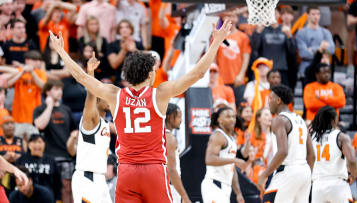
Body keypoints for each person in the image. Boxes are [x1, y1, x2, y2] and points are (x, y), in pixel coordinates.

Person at [49, 19, 232, 203]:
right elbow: (197, 74)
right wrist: (216, 42)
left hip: (127, 172)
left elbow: (81, 77)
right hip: (154, 170)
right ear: (151, 74)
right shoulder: (160, 93)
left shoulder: (114, 94)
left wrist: (61, 51)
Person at [256, 85, 315, 202]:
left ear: (278, 100)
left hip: (287, 171)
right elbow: (311, 155)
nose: (268, 102)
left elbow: (283, 151)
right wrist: (307, 174)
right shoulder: (301, 120)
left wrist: (264, 174)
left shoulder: (279, 120)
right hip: (305, 172)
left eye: (270, 99)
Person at [71, 52, 112, 203]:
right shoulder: (91, 119)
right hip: (87, 178)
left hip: (100, 178)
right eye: (107, 96)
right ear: (99, 98)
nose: (111, 100)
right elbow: (91, 94)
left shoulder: (105, 123)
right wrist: (90, 74)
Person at [33, 79, 78, 203]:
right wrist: (49, 106)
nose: (60, 92)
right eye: (56, 89)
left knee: (67, 188)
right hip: (48, 156)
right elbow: (40, 125)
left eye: (61, 89)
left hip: (66, 155)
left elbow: (74, 131)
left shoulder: (66, 109)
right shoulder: (40, 109)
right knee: (48, 189)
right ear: (47, 92)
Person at [310, 106, 357, 202]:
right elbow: (352, 160)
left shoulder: (312, 137)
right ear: (333, 120)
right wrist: (353, 175)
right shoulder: (341, 137)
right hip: (337, 184)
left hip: (317, 185)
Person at [201, 107, 245, 203]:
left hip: (225, 187)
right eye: (228, 117)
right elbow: (209, 159)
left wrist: (238, 193)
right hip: (214, 184)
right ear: (219, 120)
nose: (232, 119)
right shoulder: (218, 135)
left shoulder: (232, 139)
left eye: (233, 116)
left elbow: (231, 169)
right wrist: (234, 160)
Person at [16, 133, 62, 202]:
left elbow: (57, 182)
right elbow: (14, 179)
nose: (37, 145)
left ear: (44, 144)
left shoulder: (51, 160)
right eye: (34, 142)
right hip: (25, 197)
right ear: (29, 145)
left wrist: (58, 199)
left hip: (47, 197)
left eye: (40, 142)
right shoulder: (21, 160)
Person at [6, 50, 47, 124]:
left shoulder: (41, 73)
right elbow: (8, 84)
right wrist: (22, 72)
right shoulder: (19, 71)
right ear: (27, 60)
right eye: (34, 60)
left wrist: (32, 72)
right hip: (19, 113)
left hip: (35, 112)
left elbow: (43, 86)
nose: (38, 62)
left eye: (39, 60)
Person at [296, 6, 335, 79]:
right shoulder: (301, 33)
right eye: (313, 14)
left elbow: (332, 50)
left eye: (318, 14)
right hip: (307, 69)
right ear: (307, 15)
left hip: (323, 69)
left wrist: (312, 49)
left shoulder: (325, 32)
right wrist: (321, 48)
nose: (316, 17)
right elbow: (303, 53)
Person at [165, 103, 191, 203]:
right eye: (179, 117)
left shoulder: (158, 134)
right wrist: (184, 196)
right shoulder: (169, 138)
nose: (181, 120)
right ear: (170, 117)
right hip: (168, 187)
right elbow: (171, 170)